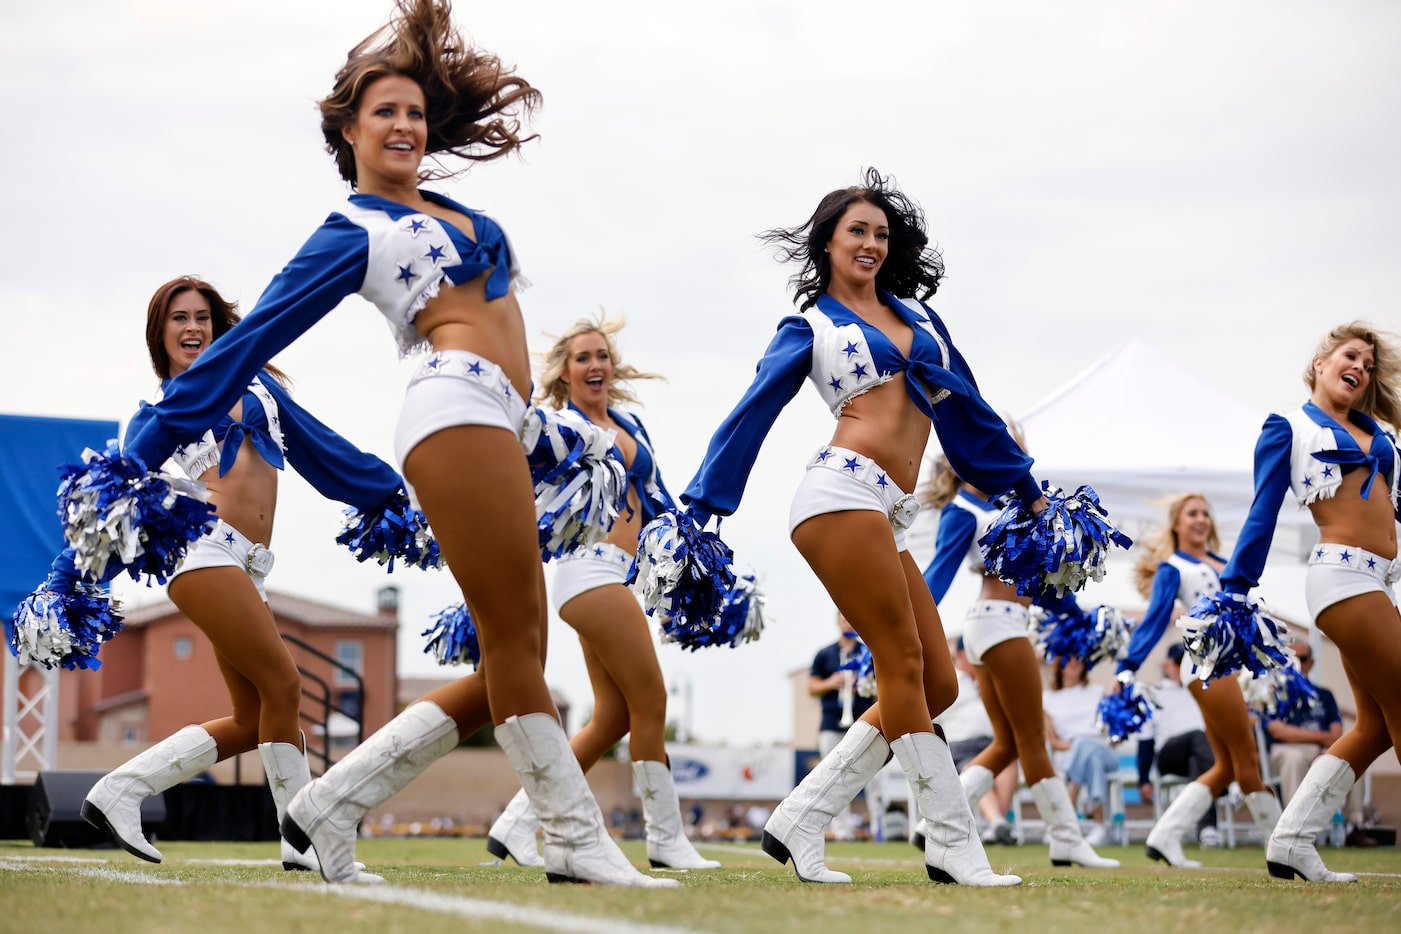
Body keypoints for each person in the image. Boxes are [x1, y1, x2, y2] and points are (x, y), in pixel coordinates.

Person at [107, 0, 675, 889]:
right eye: (385, 113)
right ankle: (569, 834)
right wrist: (136, 451)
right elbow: (244, 343)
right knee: (517, 649)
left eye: (414, 111)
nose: (405, 124)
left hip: (507, 423)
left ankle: (330, 805)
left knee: (509, 658)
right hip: (453, 408)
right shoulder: (352, 230)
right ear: (349, 129)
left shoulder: (449, 207)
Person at [681, 167, 1045, 887]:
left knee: (936, 683)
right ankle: (951, 842)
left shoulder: (921, 320)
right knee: (902, 665)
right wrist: (702, 507)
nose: (871, 243)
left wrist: (1028, 492)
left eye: (881, 233)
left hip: (892, 512)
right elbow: (751, 414)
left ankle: (800, 817)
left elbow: (969, 410)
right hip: (836, 494)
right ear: (826, 243)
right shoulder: (809, 327)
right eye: (857, 231)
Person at [71, 276, 406, 874]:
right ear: (160, 335)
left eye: (202, 316)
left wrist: (393, 492)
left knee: (255, 719)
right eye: (178, 319)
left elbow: (320, 447)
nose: (193, 327)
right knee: (286, 686)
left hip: (247, 567)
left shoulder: (259, 388)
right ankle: (306, 843)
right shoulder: (158, 413)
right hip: (200, 553)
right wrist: (65, 579)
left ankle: (122, 790)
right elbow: (113, 501)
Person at [485, 313, 719, 871]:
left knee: (613, 717)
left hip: (618, 572)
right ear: (565, 373)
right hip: (587, 568)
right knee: (653, 699)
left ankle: (516, 824)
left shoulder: (628, 424)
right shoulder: (556, 425)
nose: (595, 365)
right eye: (582, 358)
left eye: (601, 356)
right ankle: (665, 839)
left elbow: (657, 500)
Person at [1217, 322, 1400, 881]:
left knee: (1374, 727)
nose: (1361, 369)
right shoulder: (1289, 426)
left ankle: (1291, 841)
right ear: (1321, 361)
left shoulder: (1382, 434)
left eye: (1369, 365)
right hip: (1341, 580)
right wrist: (1234, 591)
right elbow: (1262, 512)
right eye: (1351, 356)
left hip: (1381, 580)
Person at [921, 440, 1118, 868]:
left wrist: (1080, 616)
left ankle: (932, 823)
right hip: (999, 626)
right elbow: (937, 574)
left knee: (1009, 742)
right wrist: (905, 624)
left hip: (993, 625)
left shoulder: (1003, 507)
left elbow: (1034, 585)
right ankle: (1066, 838)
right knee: (1033, 742)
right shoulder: (964, 510)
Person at [1122, 492, 1279, 868]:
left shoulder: (1226, 564)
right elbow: (1156, 617)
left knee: (1226, 766)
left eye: (1206, 513)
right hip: (1208, 665)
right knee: (1248, 759)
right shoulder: (1173, 567)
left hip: (1230, 666)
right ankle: (1284, 846)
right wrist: (1126, 665)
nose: (1201, 519)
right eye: (1192, 513)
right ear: (1176, 523)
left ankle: (1164, 836)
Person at [1264, 640, 1375, 848]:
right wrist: (1318, 737)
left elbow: (1336, 731)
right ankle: (1294, 829)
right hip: (1287, 750)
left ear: (1311, 663)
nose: (1296, 663)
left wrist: (1323, 743)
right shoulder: (1274, 693)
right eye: (1290, 658)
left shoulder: (1324, 695)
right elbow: (1278, 730)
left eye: (1302, 659)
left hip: (1322, 749)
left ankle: (1354, 826)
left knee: (1353, 758)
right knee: (1293, 758)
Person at [1132, 644, 1220, 847]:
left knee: (1197, 763)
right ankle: (1227, 783)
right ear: (1168, 665)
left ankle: (1207, 830)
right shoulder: (1154, 692)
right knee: (1198, 736)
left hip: (1199, 755)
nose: (1185, 667)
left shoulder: (1201, 690)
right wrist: (1143, 779)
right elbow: (1145, 740)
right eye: (1180, 662)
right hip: (1168, 755)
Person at [937, 637, 1018, 844]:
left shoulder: (991, 679)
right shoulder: (951, 678)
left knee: (1008, 758)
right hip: (962, 743)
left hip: (992, 741)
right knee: (976, 768)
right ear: (963, 656)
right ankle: (997, 822)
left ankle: (997, 822)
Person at [807, 613, 877, 840]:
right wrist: (832, 682)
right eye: (844, 618)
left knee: (872, 776)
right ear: (837, 621)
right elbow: (811, 687)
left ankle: (879, 828)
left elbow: (879, 686)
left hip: (862, 721)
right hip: (831, 723)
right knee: (833, 777)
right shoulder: (825, 654)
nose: (848, 622)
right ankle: (842, 831)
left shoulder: (868, 652)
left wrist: (861, 685)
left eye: (851, 618)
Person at [1042, 655, 1120, 847]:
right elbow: (1053, 742)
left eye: (1079, 658)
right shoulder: (1047, 698)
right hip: (1073, 753)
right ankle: (1099, 826)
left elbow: (1113, 734)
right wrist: (1078, 746)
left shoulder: (1099, 692)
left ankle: (1068, 805)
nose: (1074, 662)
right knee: (1090, 757)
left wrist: (1081, 745)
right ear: (1059, 665)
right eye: (1069, 659)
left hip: (1103, 751)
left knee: (1088, 747)